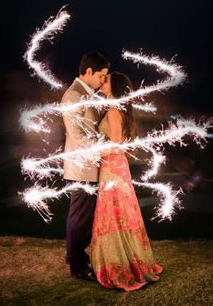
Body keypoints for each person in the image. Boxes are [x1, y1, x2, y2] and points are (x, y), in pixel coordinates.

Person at [86, 72, 163, 291]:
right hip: (116, 167)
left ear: (116, 88)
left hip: (112, 168)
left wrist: (93, 151)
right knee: (121, 213)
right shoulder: (116, 109)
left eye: (107, 80)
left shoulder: (113, 111)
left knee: (115, 214)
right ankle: (129, 259)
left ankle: (122, 265)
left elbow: (116, 145)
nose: (103, 82)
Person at [62, 52, 110, 281]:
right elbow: (78, 135)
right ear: (88, 71)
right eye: (101, 76)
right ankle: (78, 267)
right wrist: (107, 145)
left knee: (84, 217)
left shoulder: (87, 94)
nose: (103, 81)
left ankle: (73, 256)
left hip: (89, 166)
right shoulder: (73, 95)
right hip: (82, 167)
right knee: (79, 218)